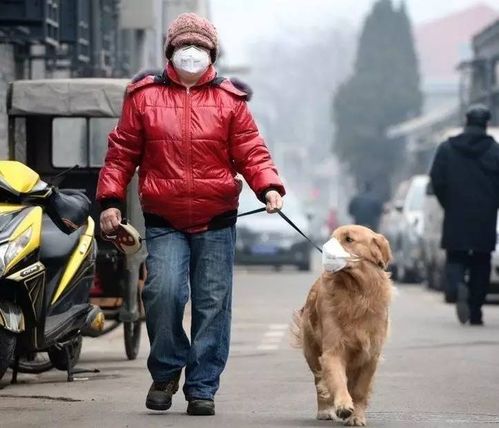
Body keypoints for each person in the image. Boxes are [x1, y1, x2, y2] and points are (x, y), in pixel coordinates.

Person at [96, 12, 285, 415]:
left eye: (200, 46)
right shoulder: (143, 95)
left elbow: (252, 151)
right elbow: (122, 152)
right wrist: (110, 201)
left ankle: (202, 386)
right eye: (185, 45)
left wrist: (268, 187)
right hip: (164, 220)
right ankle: (166, 372)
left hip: (216, 220)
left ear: (212, 52)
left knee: (212, 303)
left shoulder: (230, 100)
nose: (192, 53)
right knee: (163, 294)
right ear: (171, 50)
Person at [430, 104, 499, 325]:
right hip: (485, 217)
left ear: (466, 121)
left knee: (455, 258)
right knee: (481, 261)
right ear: (486, 124)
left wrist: (448, 203)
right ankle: (476, 311)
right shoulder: (495, 151)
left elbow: (437, 180)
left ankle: (458, 284)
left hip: (456, 214)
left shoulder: (447, 148)